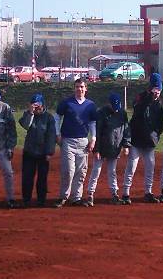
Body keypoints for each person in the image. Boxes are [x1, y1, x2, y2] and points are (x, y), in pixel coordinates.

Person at [121, 73, 163, 204]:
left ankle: (148, 192)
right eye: (155, 90)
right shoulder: (141, 97)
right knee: (131, 166)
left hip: (150, 141)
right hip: (136, 139)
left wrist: (156, 135)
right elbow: (138, 110)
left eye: (159, 90)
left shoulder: (159, 104)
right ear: (150, 88)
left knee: (150, 166)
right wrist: (149, 98)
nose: (157, 93)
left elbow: (159, 122)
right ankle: (126, 193)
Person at [54, 78, 97, 207]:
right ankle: (63, 196)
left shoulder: (90, 105)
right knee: (68, 170)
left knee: (81, 171)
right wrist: (57, 134)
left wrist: (93, 139)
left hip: (83, 141)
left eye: (82, 87)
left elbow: (92, 123)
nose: (80, 89)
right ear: (74, 88)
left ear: (86, 89)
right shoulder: (66, 103)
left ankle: (76, 197)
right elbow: (56, 117)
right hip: (68, 141)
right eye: (77, 87)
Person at [84, 92, 130, 206]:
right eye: (114, 107)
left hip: (115, 148)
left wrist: (126, 145)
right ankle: (90, 194)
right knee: (96, 171)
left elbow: (126, 130)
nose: (116, 110)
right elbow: (97, 132)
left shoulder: (122, 113)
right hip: (102, 147)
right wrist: (96, 149)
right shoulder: (101, 113)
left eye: (117, 107)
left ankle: (115, 194)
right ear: (109, 104)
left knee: (112, 172)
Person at [19, 93, 57, 208]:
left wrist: (49, 152)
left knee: (42, 178)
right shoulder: (28, 115)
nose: (36, 108)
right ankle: (26, 199)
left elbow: (51, 135)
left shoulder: (49, 117)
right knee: (27, 177)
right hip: (29, 151)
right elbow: (25, 125)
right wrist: (30, 113)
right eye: (34, 106)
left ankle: (41, 200)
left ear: (42, 104)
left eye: (38, 106)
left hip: (43, 153)